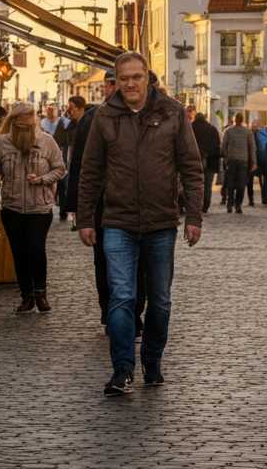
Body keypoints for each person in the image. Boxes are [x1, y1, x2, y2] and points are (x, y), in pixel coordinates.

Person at [77, 52, 204, 396]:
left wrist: (193, 216)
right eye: (124, 78)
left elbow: (191, 168)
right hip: (117, 220)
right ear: (115, 82)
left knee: (160, 300)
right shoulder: (105, 116)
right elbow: (90, 173)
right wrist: (85, 218)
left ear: (148, 77)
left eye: (137, 77)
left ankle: (151, 360)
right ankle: (122, 369)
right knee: (122, 296)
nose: (130, 84)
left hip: (162, 221)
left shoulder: (172, 112)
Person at [63, 73, 147, 334]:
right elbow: (80, 165)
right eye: (119, 82)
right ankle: (115, 312)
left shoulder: (147, 114)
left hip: (140, 203)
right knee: (106, 260)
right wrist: (77, 206)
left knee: (136, 261)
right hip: (102, 203)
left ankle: (128, 313)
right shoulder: (94, 117)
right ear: (111, 86)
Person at [0, 102, 67, 312]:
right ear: (13, 124)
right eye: (19, 127)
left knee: (36, 249)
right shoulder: (2, 143)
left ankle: (41, 293)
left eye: (27, 128)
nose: (23, 132)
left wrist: (42, 179)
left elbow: (60, 169)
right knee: (19, 252)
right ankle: (26, 295)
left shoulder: (46, 141)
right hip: (12, 207)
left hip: (40, 208)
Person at [57, 96, 87, 220]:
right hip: (72, 161)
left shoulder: (88, 123)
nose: (70, 111)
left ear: (81, 109)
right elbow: (62, 140)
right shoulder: (70, 125)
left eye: (72, 108)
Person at [187, 105, 221, 213]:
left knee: (194, 184)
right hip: (210, 162)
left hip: (194, 161)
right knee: (207, 184)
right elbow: (217, 146)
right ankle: (206, 205)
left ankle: (195, 205)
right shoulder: (212, 129)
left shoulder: (191, 128)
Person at [220, 113, 255, 214]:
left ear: (234, 120)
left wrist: (222, 155)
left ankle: (230, 204)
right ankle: (237, 205)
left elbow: (223, 145)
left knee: (230, 184)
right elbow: (252, 148)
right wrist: (253, 162)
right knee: (241, 184)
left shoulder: (228, 131)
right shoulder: (247, 132)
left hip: (231, 160)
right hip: (243, 161)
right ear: (243, 120)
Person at [252, 119, 267, 206]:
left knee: (258, 177)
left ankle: (252, 199)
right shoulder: (266, 134)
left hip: (258, 159)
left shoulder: (255, 135)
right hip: (266, 159)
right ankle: (265, 197)